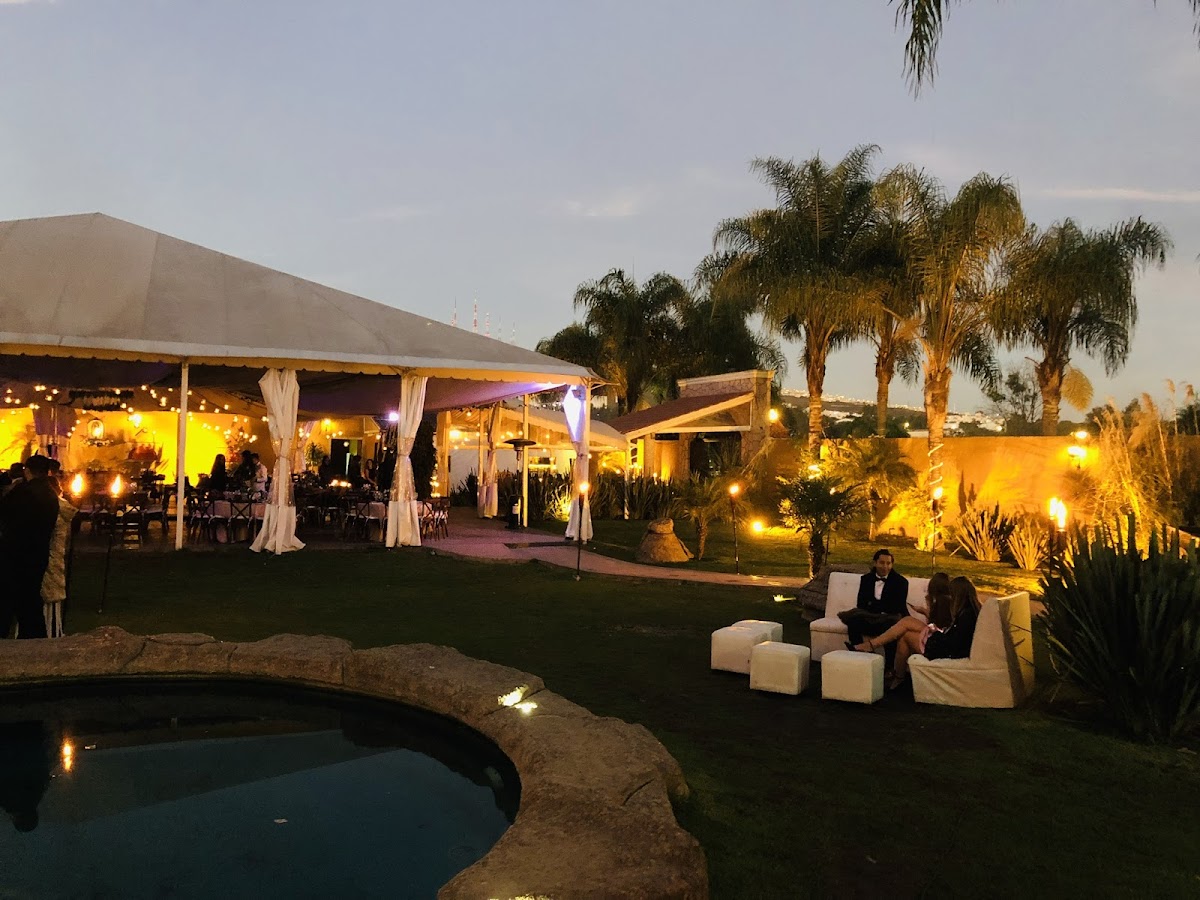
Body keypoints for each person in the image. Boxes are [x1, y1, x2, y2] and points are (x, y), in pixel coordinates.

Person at [857, 574, 980, 689]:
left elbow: (951, 639)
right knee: (905, 633)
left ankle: (879, 654)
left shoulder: (964, 614)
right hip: (944, 642)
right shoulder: (968, 611)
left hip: (944, 649)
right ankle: (897, 677)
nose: (950, 597)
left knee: (906, 624)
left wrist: (932, 626)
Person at [0, 455, 60, 639]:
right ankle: (33, 637)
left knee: (10, 596)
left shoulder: (24, 492)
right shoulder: (50, 493)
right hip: (38, 552)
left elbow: (5, 512)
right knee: (29, 597)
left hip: (16, 552)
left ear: (28, 470)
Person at [838, 549, 909, 669]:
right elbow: (861, 603)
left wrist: (873, 605)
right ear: (875, 563)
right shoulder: (866, 579)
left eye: (888, 563)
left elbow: (897, 606)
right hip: (869, 617)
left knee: (892, 627)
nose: (885, 566)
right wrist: (879, 607)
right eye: (882, 563)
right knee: (853, 621)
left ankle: (889, 667)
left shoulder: (901, 582)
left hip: (888, 619)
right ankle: (860, 657)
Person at [41, 466, 78, 638]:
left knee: (47, 596)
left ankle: (50, 632)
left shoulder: (54, 509)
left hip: (48, 556)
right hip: (53, 556)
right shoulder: (61, 509)